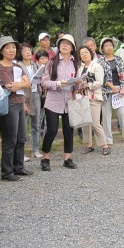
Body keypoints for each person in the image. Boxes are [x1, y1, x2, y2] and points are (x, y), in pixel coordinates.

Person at [0, 36, 32, 181]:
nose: (11, 50)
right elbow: (10, 86)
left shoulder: (17, 66)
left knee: (21, 137)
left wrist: (20, 84)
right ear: (1, 51)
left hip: (20, 103)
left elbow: (28, 84)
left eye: (13, 47)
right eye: (8, 47)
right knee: (10, 139)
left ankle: (19, 166)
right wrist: (20, 83)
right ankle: (7, 171)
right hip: (8, 105)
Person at [40, 34, 81, 171]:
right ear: (58, 46)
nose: (65, 45)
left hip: (69, 100)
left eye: (68, 44)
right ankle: (45, 158)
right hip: (53, 100)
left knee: (68, 130)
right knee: (51, 130)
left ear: (72, 47)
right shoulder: (52, 62)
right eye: (62, 43)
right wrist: (58, 83)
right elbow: (44, 82)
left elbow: (77, 85)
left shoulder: (76, 63)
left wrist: (79, 83)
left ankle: (67, 158)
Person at [77, 46, 110, 155]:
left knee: (95, 122)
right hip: (83, 97)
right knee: (85, 122)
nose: (84, 55)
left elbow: (100, 82)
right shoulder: (80, 68)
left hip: (94, 97)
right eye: (82, 53)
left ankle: (105, 145)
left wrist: (88, 85)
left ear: (91, 54)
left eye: (86, 52)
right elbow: (78, 81)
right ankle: (89, 144)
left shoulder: (97, 66)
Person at [98, 38, 124, 144]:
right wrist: (112, 87)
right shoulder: (100, 61)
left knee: (122, 113)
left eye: (110, 45)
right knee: (106, 116)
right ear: (102, 48)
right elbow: (101, 77)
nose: (109, 47)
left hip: (119, 90)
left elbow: (122, 74)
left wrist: (123, 87)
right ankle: (108, 139)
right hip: (106, 91)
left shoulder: (118, 59)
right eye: (106, 45)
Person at [16, 43, 43, 159]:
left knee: (36, 124)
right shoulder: (17, 66)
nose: (28, 52)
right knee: (22, 125)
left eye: (29, 50)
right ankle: (20, 153)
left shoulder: (35, 65)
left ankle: (35, 149)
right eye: (25, 50)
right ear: (20, 52)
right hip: (23, 96)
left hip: (35, 94)